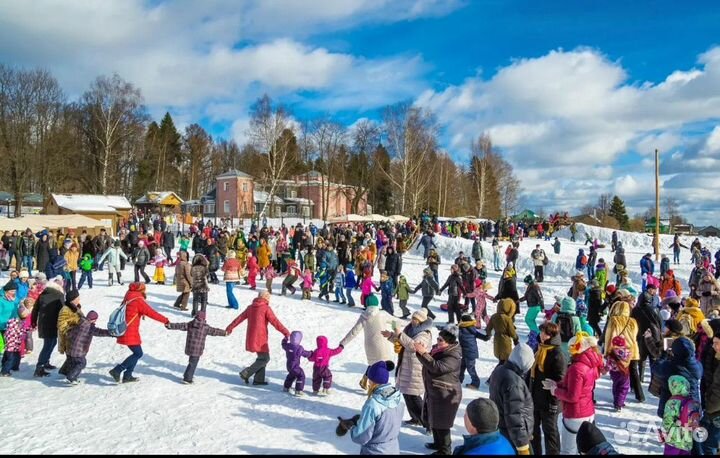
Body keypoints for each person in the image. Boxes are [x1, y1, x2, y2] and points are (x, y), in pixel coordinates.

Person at [542, 332, 603, 455]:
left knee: (568, 450)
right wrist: (557, 384)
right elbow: (580, 387)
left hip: (575, 414)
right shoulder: (591, 363)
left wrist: (555, 391)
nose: (569, 350)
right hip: (588, 411)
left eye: (572, 347)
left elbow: (572, 396)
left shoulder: (577, 368)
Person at [381, 308, 433, 428]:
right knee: (406, 394)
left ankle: (428, 424)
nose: (413, 321)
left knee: (414, 396)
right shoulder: (410, 329)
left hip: (415, 368)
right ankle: (415, 418)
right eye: (413, 318)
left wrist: (399, 334)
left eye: (416, 319)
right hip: (406, 365)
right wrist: (391, 336)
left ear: (421, 321)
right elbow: (402, 341)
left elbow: (414, 346)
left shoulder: (424, 333)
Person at [415, 324, 462, 455]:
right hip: (436, 391)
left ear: (449, 341)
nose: (437, 342)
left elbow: (437, 367)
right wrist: (420, 352)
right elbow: (427, 361)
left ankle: (445, 450)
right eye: (438, 338)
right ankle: (437, 443)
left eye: (441, 340)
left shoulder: (453, 355)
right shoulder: (439, 349)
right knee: (434, 419)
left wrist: (423, 353)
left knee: (443, 424)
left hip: (447, 394)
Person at [226, 291, 290, 386]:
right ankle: (246, 373)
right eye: (268, 297)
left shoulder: (250, 307)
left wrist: (230, 327)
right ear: (266, 298)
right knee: (265, 358)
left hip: (252, 337)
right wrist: (286, 332)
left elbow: (239, 318)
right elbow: (275, 322)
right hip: (261, 337)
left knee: (262, 357)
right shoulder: (266, 308)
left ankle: (259, 380)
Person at [109, 282, 170, 383]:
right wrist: (166, 320)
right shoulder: (138, 300)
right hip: (129, 331)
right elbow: (152, 313)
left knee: (136, 353)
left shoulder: (128, 296)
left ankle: (127, 376)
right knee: (138, 353)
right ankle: (117, 370)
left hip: (123, 329)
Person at [347, 360, 404, 455]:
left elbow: (361, 437)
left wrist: (353, 427)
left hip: (374, 451)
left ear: (372, 380)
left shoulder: (373, 404)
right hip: (393, 449)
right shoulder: (398, 397)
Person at [339, 293, 396, 388]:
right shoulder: (382, 314)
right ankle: (374, 386)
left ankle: (365, 380)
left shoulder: (364, 316)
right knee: (382, 366)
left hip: (370, 345)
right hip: (382, 344)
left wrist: (343, 343)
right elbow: (396, 322)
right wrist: (399, 329)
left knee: (374, 364)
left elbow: (354, 332)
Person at [488, 342, 534, 455]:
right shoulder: (514, 382)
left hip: (502, 430)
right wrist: (522, 446)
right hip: (512, 436)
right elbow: (514, 416)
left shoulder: (500, 370)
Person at [530, 322, 566, 455]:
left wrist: (554, 402)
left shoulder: (557, 353)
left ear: (552, 335)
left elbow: (561, 379)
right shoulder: (539, 348)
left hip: (549, 401)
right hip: (535, 397)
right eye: (542, 332)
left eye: (545, 333)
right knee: (533, 431)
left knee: (550, 432)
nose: (542, 335)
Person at [166, 311, 227, 384]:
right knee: (193, 363)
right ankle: (187, 378)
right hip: (197, 350)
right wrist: (224, 333)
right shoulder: (205, 327)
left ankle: (188, 374)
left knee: (191, 362)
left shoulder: (190, 324)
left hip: (190, 348)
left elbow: (180, 325)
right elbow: (215, 331)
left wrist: (170, 325)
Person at [64, 310, 112, 384]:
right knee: (81, 363)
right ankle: (71, 377)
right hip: (78, 350)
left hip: (70, 347)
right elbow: (99, 332)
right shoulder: (89, 327)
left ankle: (64, 371)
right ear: (94, 319)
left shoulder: (78, 322)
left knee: (72, 360)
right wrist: (110, 333)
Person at [30, 279, 65, 377]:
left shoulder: (42, 294)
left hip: (44, 324)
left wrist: (33, 321)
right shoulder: (59, 295)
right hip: (53, 324)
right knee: (48, 345)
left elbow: (35, 309)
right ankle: (39, 367)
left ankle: (45, 362)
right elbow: (63, 310)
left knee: (51, 343)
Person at [482, 298, 518, 364]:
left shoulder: (494, 316)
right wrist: (515, 339)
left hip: (497, 338)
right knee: (505, 359)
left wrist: (488, 335)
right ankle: (501, 372)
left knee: (500, 358)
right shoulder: (507, 318)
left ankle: (499, 371)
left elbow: (488, 328)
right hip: (505, 340)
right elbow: (512, 331)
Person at [281, 331, 313, 396]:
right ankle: (298, 390)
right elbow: (305, 353)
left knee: (291, 375)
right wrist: (311, 353)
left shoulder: (287, 346)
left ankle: (286, 387)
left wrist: (285, 339)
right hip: (295, 366)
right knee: (301, 375)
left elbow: (283, 344)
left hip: (289, 366)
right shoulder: (299, 348)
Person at [458, 314, 484, 389]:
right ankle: (458, 380)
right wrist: (486, 337)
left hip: (469, 353)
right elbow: (479, 335)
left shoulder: (462, 329)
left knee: (470, 368)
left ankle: (476, 383)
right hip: (467, 352)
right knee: (462, 367)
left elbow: (452, 332)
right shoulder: (471, 328)